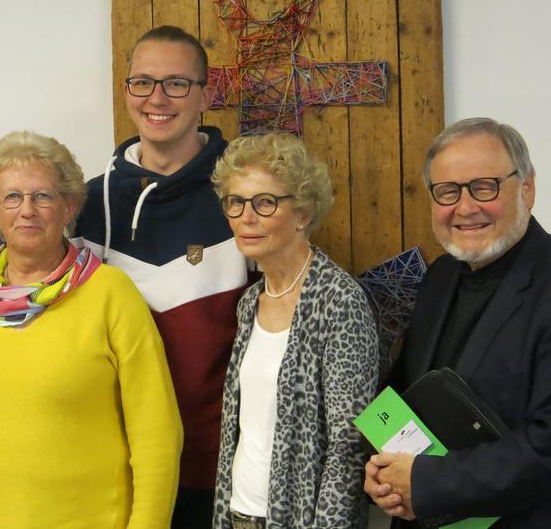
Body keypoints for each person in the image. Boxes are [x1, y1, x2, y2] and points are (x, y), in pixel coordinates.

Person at [0, 130, 182, 528]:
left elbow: (157, 433)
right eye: (13, 197)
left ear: (69, 206)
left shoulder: (110, 294)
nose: (27, 210)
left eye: (43, 196)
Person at [74, 25, 249, 527]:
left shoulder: (245, 197)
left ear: (205, 95)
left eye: (176, 83)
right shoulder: (85, 204)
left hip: (213, 470)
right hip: (112, 467)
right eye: (143, 82)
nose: (157, 98)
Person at [365, 118, 551, 527]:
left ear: (528, 188)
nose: (465, 208)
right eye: (447, 192)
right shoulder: (441, 276)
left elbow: (545, 446)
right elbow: (406, 394)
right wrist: (381, 467)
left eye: (485, 186)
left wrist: (426, 483)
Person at [209, 132, 378, 528]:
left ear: (302, 212)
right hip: (239, 512)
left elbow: (348, 444)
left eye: (265, 202)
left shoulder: (339, 300)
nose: (246, 217)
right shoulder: (251, 302)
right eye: (236, 202)